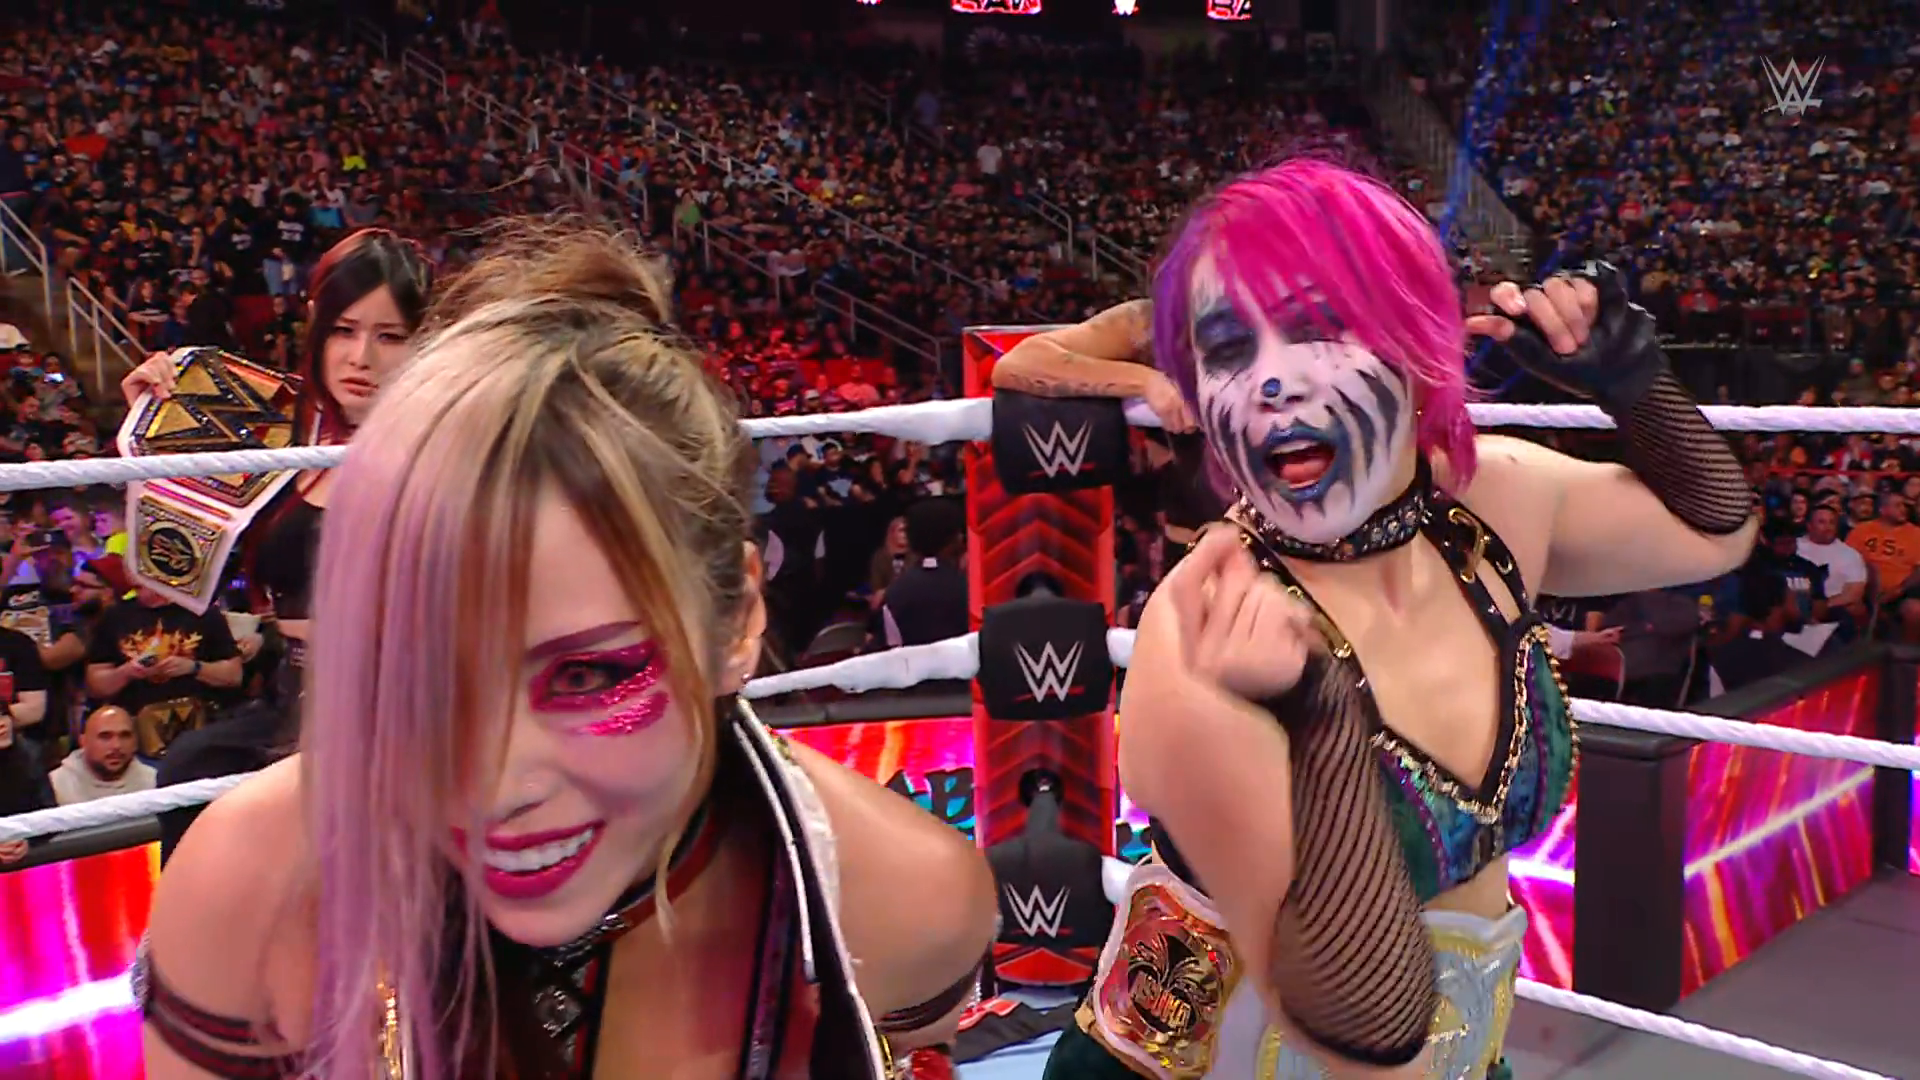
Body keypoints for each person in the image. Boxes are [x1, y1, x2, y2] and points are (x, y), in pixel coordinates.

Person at [140, 225, 997, 1079]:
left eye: (587, 675)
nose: (492, 782)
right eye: (420, 676)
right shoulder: (249, 886)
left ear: (734, 621)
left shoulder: (904, 903)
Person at [1048, 159, 1757, 1080]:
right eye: (1228, 349)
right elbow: (1365, 1025)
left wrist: (1635, 385)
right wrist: (1322, 721)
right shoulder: (1205, 627)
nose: (1272, 382)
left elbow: (1715, 533)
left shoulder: (1492, 503)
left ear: (1416, 341)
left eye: (1318, 326)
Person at [991, 299, 1219, 568]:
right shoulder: (1154, 324)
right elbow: (1017, 364)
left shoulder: (1263, 330)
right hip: (1196, 549)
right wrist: (1147, 382)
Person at [50, 705, 155, 805]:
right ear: (83, 741)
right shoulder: (54, 786)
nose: (116, 745)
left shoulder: (154, 782)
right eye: (105, 737)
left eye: (125, 736)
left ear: (135, 742)